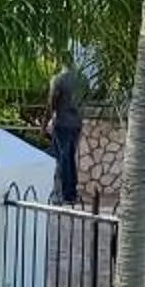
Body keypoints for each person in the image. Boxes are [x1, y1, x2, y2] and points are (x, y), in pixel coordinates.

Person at [48, 61, 86, 206]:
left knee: (62, 157)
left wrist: (50, 119)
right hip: (76, 123)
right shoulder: (82, 79)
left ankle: (65, 193)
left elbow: (52, 101)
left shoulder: (58, 79)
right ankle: (71, 191)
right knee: (70, 156)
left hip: (62, 122)